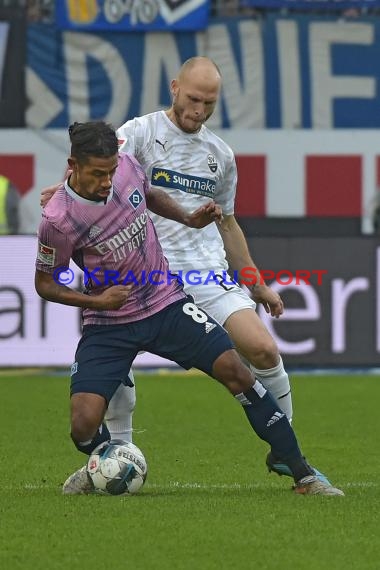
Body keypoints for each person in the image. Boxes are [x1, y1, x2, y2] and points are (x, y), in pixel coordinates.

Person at [41, 58, 337, 492]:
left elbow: (228, 223)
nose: (198, 110)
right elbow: (96, 167)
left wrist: (254, 281)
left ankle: (289, 455)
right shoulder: (139, 132)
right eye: (193, 99)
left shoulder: (220, 156)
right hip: (139, 279)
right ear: (175, 88)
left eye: (209, 103)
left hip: (197, 276)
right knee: (107, 383)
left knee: (261, 351)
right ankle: (113, 458)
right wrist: (63, 188)